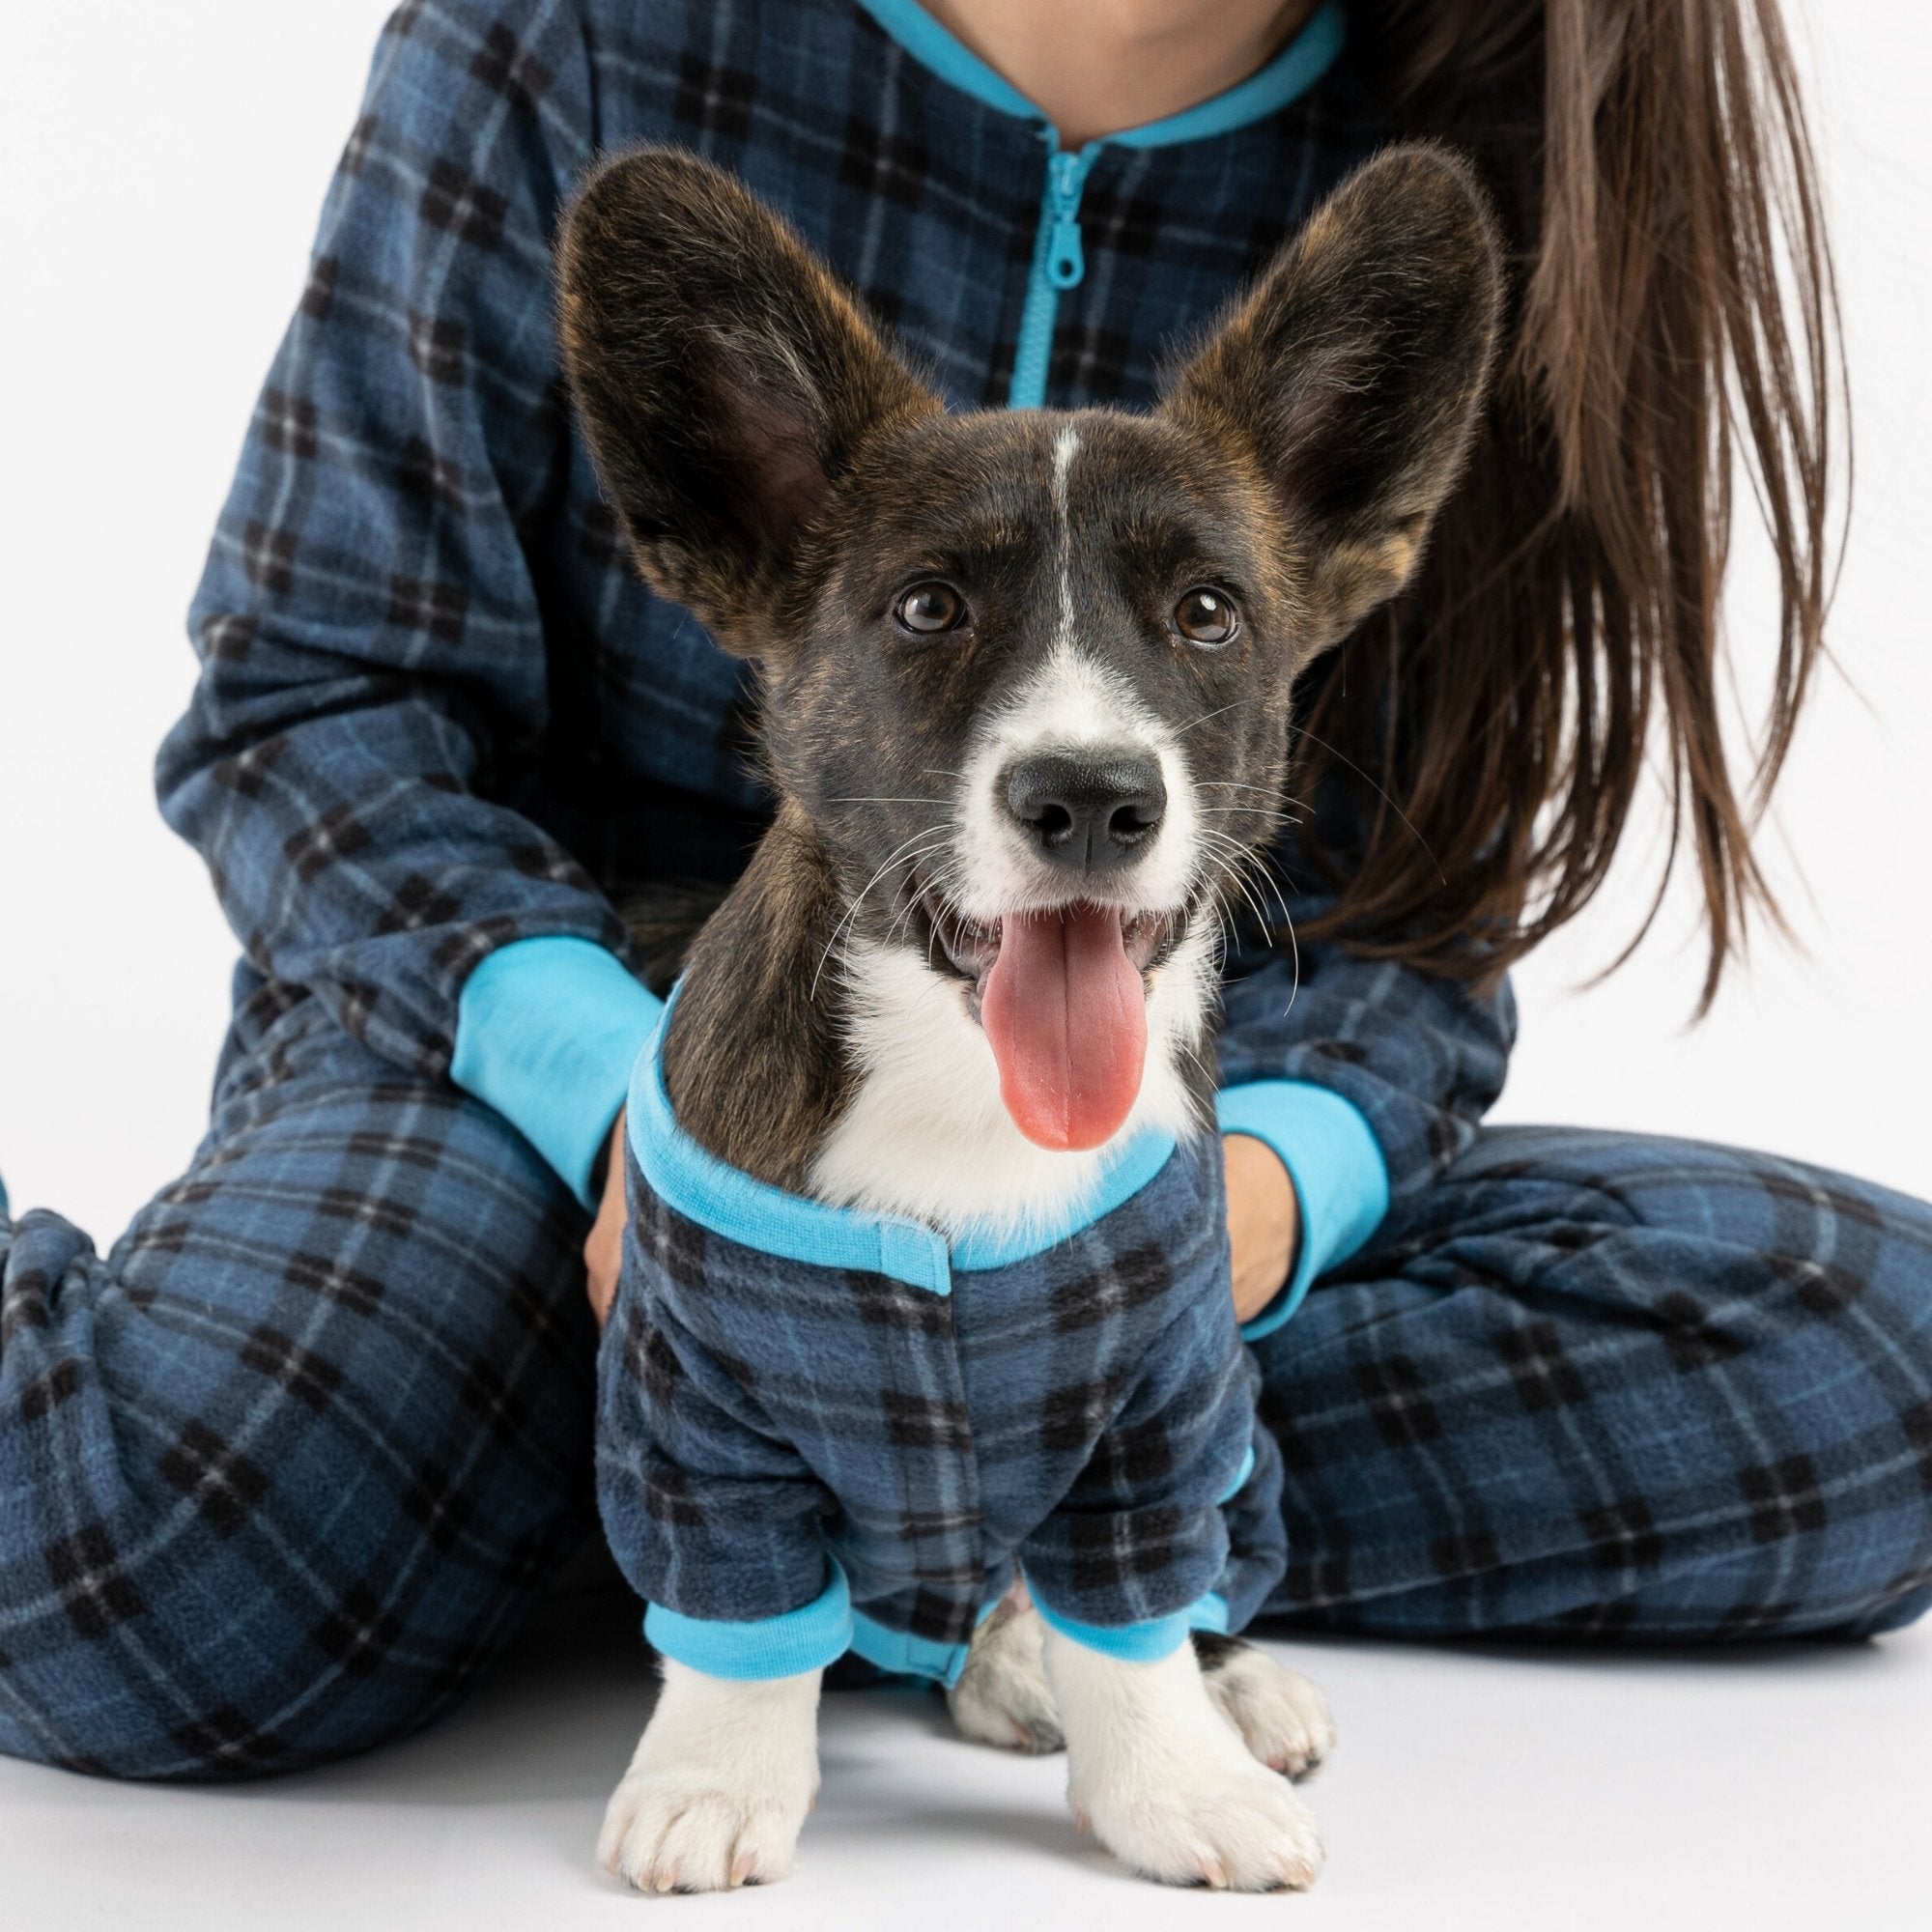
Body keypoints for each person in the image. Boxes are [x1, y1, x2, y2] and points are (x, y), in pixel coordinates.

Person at [1, 0, 1926, 1784]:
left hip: (1119, 1194)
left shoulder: (1510, 144)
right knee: (164, 1569)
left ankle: (747, 1522)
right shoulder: (574, 35)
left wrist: (1238, 1201)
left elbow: (1412, 904)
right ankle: (888, 1531)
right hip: (527, 1103)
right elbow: (319, 699)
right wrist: (641, 1129)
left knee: (1875, 1352)